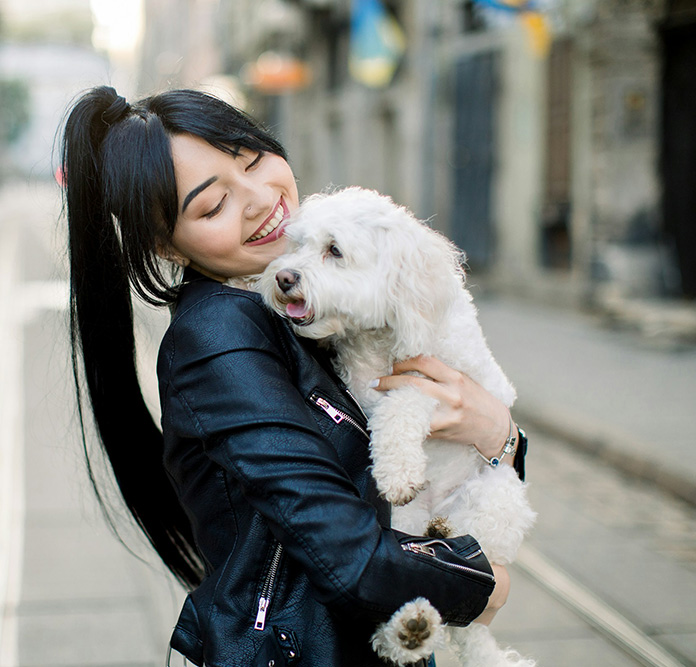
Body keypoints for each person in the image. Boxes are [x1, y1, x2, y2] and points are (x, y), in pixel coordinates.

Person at [62, 85, 526, 666]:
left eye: (252, 159)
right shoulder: (218, 340)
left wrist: (499, 434)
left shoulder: (304, 306)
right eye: (212, 206)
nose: (260, 199)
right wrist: (489, 586)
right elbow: (349, 557)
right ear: (169, 247)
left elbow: (446, 443)